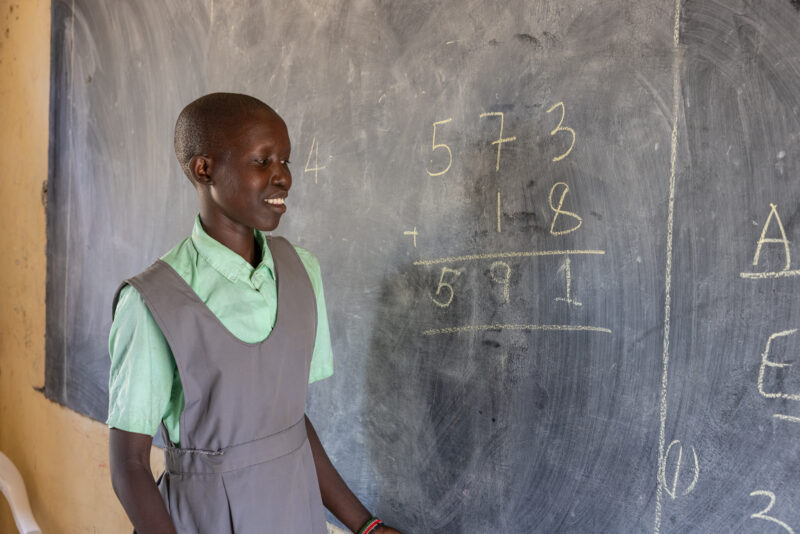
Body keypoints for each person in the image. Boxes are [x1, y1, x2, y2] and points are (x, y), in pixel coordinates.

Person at [107, 93, 401, 534]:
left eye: (285, 161)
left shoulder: (302, 271)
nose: (282, 176)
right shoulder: (153, 300)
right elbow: (129, 465)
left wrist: (365, 525)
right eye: (262, 161)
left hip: (295, 516)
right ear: (203, 169)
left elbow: (289, 426)